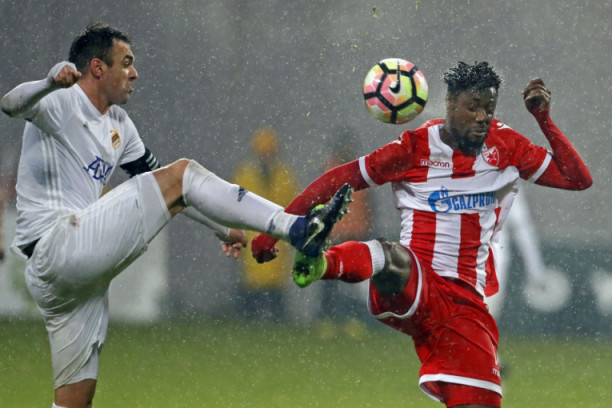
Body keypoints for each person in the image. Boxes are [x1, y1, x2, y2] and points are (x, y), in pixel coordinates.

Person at [1, 22, 352, 408]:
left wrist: (221, 227)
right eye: (126, 63)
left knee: (74, 400)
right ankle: (296, 228)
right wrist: (49, 82)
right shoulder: (60, 100)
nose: (135, 73)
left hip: (68, 278)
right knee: (184, 173)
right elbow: (10, 104)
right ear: (97, 67)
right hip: (58, 245)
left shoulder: (120, 126)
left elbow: (168, 189)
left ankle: (295, 228)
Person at [252, 61, 592, 407]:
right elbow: (339, 178)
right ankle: (320, 264)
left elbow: (578, 179)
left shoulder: (507, 144)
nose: (482, 117)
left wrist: (543, 120)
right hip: (415, 282)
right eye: (473, 107)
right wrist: (274, 228)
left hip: (466, 304)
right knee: (388, 255)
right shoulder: (413, 148)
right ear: (450, 102)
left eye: (488, 108)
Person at [232, 126, 301, 320]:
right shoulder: (245, 175)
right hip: (252, 236)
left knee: (276, 285)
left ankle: (276, 320)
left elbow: (294, 205)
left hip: (276, 237)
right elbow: (234, 206)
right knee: (252, 283)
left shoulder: (284, 176)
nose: (266, 158)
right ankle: (250, 318)